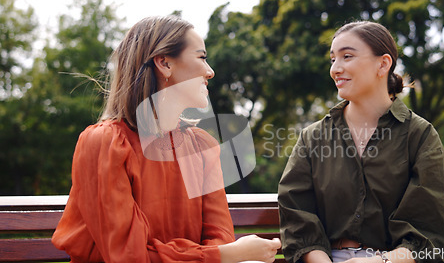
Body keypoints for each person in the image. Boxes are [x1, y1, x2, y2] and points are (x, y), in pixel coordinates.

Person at [52, 15, 280, 263]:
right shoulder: (105, 143)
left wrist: (223, 253)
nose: (210, 71)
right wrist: (226, 254)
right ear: (164, 63)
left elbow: (220, 240)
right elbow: (130, 257)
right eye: (202, 57)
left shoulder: (203, 147)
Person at [278, 21, 444, 263]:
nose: (335, 68)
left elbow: (426, 231)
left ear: (383, 64)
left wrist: (380, 261)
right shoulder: (312, 138)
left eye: (347, 56)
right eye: (332, 59)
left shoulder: (420, 136)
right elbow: (297, 218)